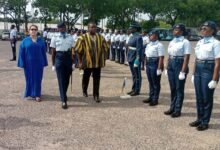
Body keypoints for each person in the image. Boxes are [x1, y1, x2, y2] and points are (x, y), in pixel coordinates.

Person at [189, 21, 220, 131]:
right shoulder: (200, 42)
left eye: (205, 28)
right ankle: (199, 118)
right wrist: (193, 73)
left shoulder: (215, 43)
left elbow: (217, 62)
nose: (202, 30)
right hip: (199, 69)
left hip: (209, 69)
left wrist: (214, 79)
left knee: (207, 97)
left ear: (212, 30)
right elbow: (197, 59)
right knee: (199, 96)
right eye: (202, 28)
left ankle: (205, 121)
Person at [74, 21, 109, 103]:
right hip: (87, 62)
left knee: (97, 79)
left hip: (97, 63)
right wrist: (79, 62)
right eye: (92, 27)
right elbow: (78, 51)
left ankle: (96, 95)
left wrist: (103, 58)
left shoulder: (100, 37)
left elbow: (106, 48)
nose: (94, 28)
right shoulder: (82, 37)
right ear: (88, 28)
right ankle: (84, 90)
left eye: (95, 27)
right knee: (86, 77)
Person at [164, 23, 192, 118]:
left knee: (179, 88)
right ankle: (172, 107)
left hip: (179, 63)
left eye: (176, 30)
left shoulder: (185, 42)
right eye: (174, 30)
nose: (174, 31)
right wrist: (167, 67)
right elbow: (169, 56)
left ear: (182, 31)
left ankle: (177, 109)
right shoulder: (172, 41)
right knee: (172, 88)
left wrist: (183, 71)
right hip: (172, 63)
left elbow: (186, 57)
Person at [17, 25, 48, 102]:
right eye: (32, 29)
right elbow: (21, 53)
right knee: (29, 78)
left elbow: (44, 52)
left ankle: (37, 94)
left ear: (37, 31)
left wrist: (44, 62)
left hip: (39, 63)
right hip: (28, 64)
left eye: (35, 29)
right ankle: (30, 93)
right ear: (29, 30)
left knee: (38, 78)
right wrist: (22, 63)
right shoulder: (25, 41)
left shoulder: (41, 41)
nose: (33, 31)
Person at [50, 22, 75, 109]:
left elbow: (73, 51)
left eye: (63, 27)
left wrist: (74, 63)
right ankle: (63, 100)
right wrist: (53, 64)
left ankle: (64, 94)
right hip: (59, 58)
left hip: (68, 58)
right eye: (60, 28)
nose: (61, 29)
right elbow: (53, 52)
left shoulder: (70, 37)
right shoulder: (55, 37)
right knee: (61, 79)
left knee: (67, 80)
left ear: (65, 28)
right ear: (58, 29)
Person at [143, 30, 165, 106]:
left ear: (156, 36)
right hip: (149, 63)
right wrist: (145, 64)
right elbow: (146, 55)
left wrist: (159, 68)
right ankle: (151, 97)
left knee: (156, 83)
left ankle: (155, 99)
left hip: (155, 63)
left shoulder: (159, 45)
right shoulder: (149, 44)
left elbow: (161, 57)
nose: (149, 36)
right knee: (150, 82)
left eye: (151, 35)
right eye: (149, 35)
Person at [127, 22, 143, 96]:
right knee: (133, 74)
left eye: (131, 28)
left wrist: (137, 59)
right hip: (130, 56)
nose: (130, 29)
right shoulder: (131, 36)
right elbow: (129, 47)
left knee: (137, 75)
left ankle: (137, 90)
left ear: (135, 29)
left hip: (135, 58)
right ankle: (133, 88)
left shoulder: (138, 37)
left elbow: (139, 49)